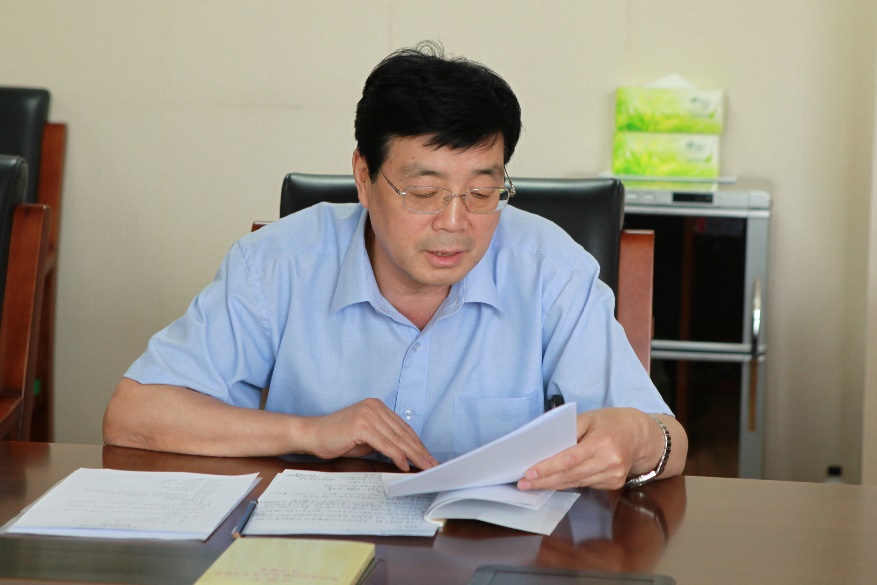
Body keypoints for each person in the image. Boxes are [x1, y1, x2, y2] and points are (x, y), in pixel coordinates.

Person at [103, 41, 687, 491]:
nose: (455, 222)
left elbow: (671, 441)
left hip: (493, 556)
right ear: (364, 176)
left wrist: (640, 441)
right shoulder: (279, 263)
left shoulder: (549, 269)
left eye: (482, 193)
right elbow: (134, 414)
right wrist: (311, 432)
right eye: (424, 192)